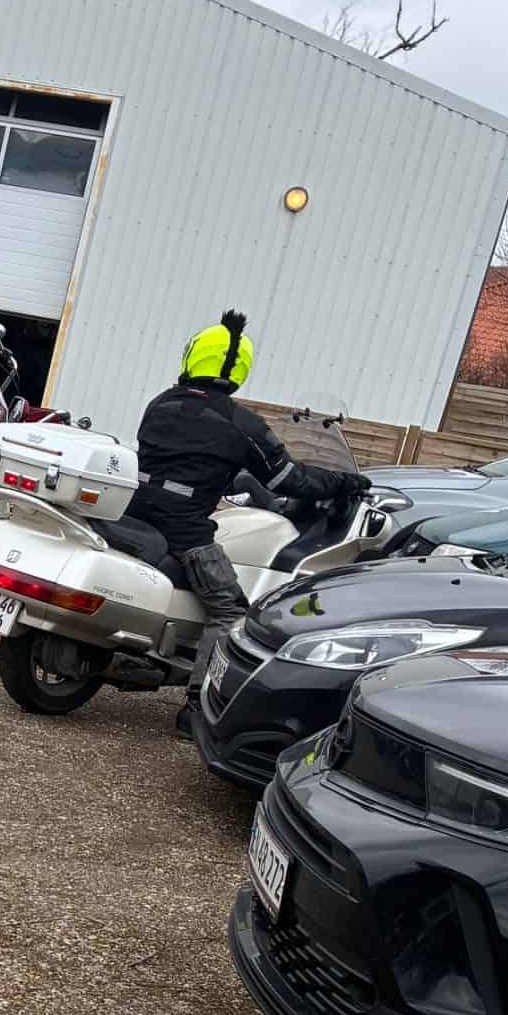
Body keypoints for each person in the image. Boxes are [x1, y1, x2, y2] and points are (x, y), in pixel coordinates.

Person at [128, 311, 327, 728]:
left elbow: (185, 459)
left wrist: (229, 476)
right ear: (240, 368)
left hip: (134, 511)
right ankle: (197, 708)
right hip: (185, 530)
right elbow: (290, 479)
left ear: (194, 355)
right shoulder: (240, 423)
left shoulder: (161, 403)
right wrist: (345, 483)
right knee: (231, 612)